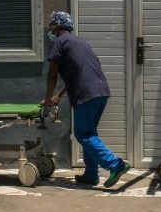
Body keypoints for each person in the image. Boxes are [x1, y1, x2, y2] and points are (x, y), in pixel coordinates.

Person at [41, 11, 130, 187]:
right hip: (101, 91)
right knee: (90, 133)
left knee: (82, 134)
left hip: (86, 94)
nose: (50, 29)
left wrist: (47, 99)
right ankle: (91, 174)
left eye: (52, 25)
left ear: (58, 27)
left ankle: (114, 165)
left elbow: (52, 75)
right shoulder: (80, 42)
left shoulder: (60, 42)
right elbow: (79, 73)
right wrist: (58, 95)